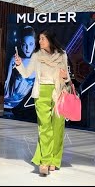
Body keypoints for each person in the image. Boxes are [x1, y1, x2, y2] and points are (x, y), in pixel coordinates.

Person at [14, 30, 70, 177]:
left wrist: (65, 77)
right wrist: (19, 65)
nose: (39, 42)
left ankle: (55, 160)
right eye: (39, 39)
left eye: (42, 39)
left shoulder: (62, 55)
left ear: (50, 40)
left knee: (58, 128)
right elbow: (26, 74)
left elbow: (67, 77)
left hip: (58, 93)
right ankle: (44, 162)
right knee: (45, 128)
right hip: (41, 94)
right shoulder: (36, 56)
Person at [3, 25, 36, 109]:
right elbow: (6, 81)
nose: (27, 48)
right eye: (24, 44)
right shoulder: (15, 59)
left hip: (21, 104)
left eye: (31, 44)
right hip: (8, 101)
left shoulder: (38, 62)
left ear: (35, 44)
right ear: (21, 45)